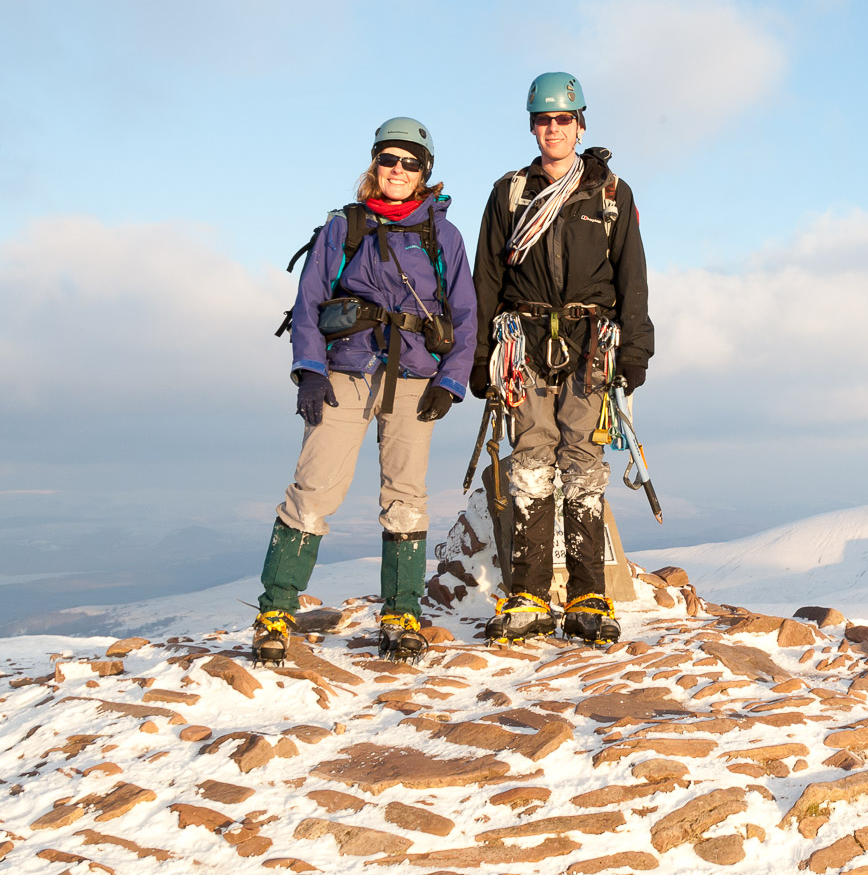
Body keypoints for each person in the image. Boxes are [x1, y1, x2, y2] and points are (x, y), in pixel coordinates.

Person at [253, 117, 478, 664]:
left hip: (415, 378)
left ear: (426, 171)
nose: (398, 170)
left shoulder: (442, 235)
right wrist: (308, 368)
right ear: (374, 165)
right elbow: (308, 301)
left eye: (410, 162)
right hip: (345, 370)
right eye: (388, 160)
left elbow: (466, 313)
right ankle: (276, 611)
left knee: (406, 495)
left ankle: (402, 614)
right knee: (314, 487)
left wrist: (451, 381)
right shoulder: (342, 228)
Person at [471, 72, 653, 646]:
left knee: (582, 464)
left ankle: (587, 597)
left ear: (580, 124)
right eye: (544, 120)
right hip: (522, 342)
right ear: (533, 126)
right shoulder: (509, 193)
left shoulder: (610, 193)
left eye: (563, 120)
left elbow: (632, 277)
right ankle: (526, 593)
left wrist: (635, 350)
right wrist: (479, 356)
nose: (554, 129)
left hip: (591, 344)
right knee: (530, 460)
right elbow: (487, 279)